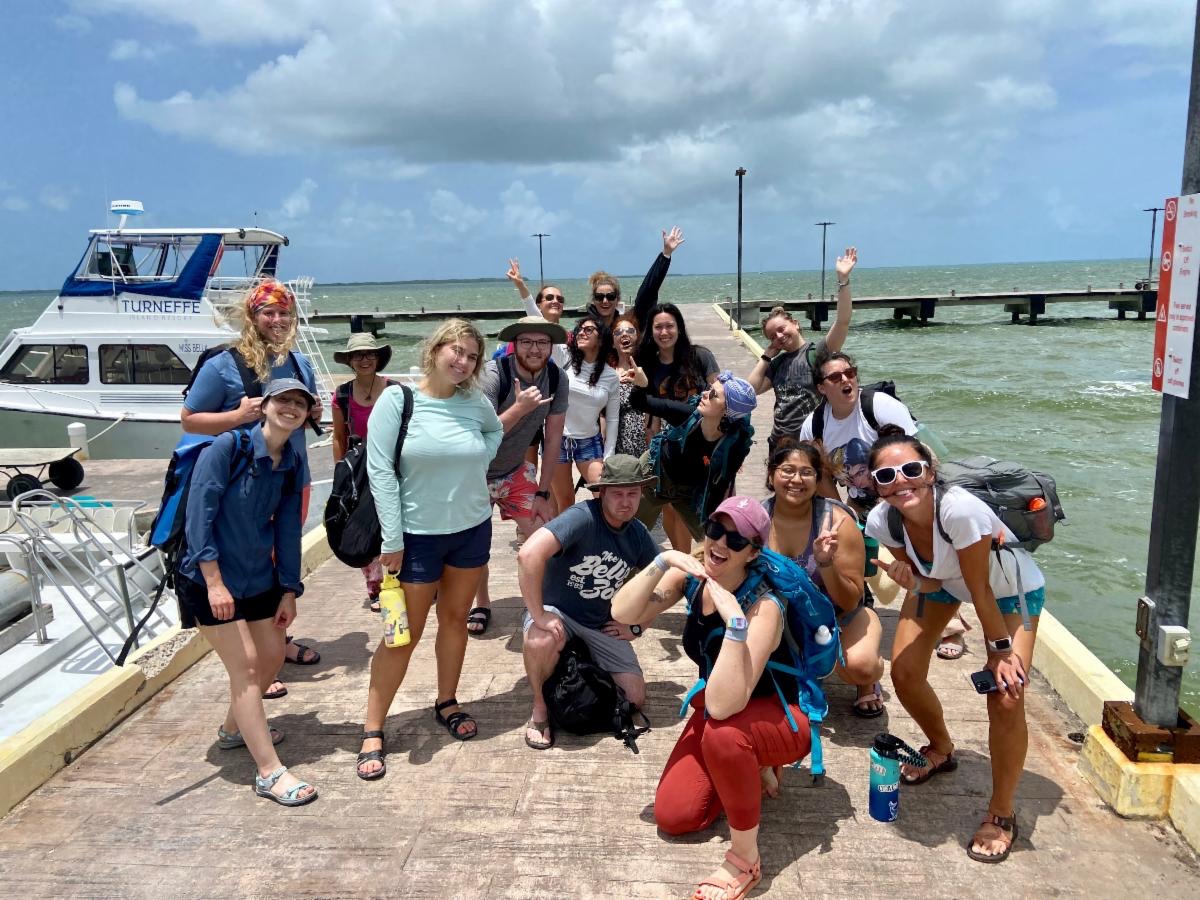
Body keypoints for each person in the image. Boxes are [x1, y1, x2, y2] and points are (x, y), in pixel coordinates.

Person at [611, 496, 812, 900]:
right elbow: (623, 613)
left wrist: (735, 620)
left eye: (736, 540)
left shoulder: (764, 605)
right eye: (715, 530)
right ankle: (747, 766)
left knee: (722, 735)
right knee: (675, 816)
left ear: (753, 552)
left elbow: (724, 705)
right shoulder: (694, 577)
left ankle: (745, 858)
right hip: (725, 704)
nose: (720, 543)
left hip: (781, 715)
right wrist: (662, 563)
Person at [864, 434, 1046, 864]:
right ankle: (941, 749)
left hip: (1007, 592)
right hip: (945, 584)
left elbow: (981, 588)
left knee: (1006, 695)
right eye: (887, 475)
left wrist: (1000, 652)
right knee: (904, 673)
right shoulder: (881, 522)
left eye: (911, 470)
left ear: (929, 469)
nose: (901, 482)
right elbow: (930, 580)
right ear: (877, 485)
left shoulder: (959, 510)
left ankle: (1001, 812)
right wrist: (911, 581)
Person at [355, 319, 504, 780]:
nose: (463, 362)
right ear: (434, 350)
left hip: (471, 528)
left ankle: (447, 700)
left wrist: (479, 455)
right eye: (455, 351)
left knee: (456, 619)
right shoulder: (398, 400)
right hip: (415, 537)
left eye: (472, 356)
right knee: (402, 633)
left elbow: (495, 433)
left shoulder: (475, 402)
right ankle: (372, 728)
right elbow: (379, 472)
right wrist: (392, 541)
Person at [177, 378, 319, 806]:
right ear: (264, 405)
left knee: (273, 656)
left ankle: (233, 730)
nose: (291, 408)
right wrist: (214, 581)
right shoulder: (228, 448)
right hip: (209, 578)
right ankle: (269, 772)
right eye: (284, 400)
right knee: (248, 666)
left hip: (259, 576)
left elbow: (290, 527)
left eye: (300, 403)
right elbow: (198, 515)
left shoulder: (290, 460)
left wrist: (289, 589)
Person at [182, 278, 323, 697]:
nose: (277, 320)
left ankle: (276, 642)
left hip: (289, 479)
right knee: (244, 561)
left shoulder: (299, 363)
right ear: (252, 316)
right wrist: (237, 417)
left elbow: (299, 416)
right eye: (268, 312)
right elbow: (189, 419)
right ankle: (254, 657)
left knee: (276, 561)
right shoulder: (224, 364)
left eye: (284, 312)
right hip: (238, 488)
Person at [517, 455, 661, 751]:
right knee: (540, 641)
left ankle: (577, 660)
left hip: (598, 623)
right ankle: (540, 708)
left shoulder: (638, 535)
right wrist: (538, 614)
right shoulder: (582, 517)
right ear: (602, 492)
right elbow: (528, 555)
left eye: (633, 493)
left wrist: (638, 626)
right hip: (559, 612)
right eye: (618, 493)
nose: (626, 502)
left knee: (634, 697)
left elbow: (666, 584)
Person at [762, 440, 885, 716]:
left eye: (806, 472)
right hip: (783, 618)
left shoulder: (838, 522)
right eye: (787, 470)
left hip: (839, 616)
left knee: (859, 666)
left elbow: (851, 600)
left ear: (818, 479)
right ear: (771, 475)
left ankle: (868, 682)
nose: (796, 479)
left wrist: (825, 562)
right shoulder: (757, 519)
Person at [470, 315, 569, 635]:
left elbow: (553, 438)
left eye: (542, 342)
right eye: (527, 341)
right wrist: (520, 409)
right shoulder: (492, 375)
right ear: (515, 344)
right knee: (474, 543)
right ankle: (481, 602)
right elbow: (480, 436)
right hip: (474, 473)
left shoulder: (556, 377)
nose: (535, 349)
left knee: (544, 535)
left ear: (551, 346)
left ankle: (541, 601)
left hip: (514, 471)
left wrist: (542, 491)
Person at [748, 247, 857, 454]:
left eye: (781, 329)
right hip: (779, 444)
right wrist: (767, 355)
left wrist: (843, 280)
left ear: (796, 324)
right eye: (773, 336)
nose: (779, 336)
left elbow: (843, 321)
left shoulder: (818, 353)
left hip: (812, 444)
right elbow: (750, 390)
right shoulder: (778, 364)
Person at [634, 372, 756, 552]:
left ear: (726, 412)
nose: (704, 394)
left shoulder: (733, 445)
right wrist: (641, 383)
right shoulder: (688, 414)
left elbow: (721, 485)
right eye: (709, 389)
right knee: (628, 530)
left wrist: (716, 522)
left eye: (713, 394)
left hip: (689, 491)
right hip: (654, 476)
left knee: (717, 541)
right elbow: (640, 402)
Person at [799, 350, 917, 516]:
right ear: (821, 388)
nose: (845, 379)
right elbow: (818, 475)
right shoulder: (813, 426)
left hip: (903, 496)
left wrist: (886, 511)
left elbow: (914, 458)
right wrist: (842, 515)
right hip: (860, 503)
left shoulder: (880, 406)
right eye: (835, 377)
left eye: (850, 373)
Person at [330, 332, 396, 613]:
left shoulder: (394, 389)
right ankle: (375, 587)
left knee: (396, 522)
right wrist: (340, 475)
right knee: (365, 525)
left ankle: (402, 578)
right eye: (358, 355)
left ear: (378, 357)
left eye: (370, 354)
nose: (365, 359)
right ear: (350, 361)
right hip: (360, 469)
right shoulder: (342, 395)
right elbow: (338, 436)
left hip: (393, 464)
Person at [552, 315, 620, 514]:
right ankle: (569, 544)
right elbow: (543, 327)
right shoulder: (565, 358)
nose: (581, 332)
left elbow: (613, 418)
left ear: (601, 339)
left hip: (589, 441)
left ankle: (604, 540)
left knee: (603, 496)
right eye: (580, 329)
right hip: (557, 439)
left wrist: (609, 455)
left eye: (589, 329)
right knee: (565, 501)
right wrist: (523, 291)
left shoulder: (610, 376)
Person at [585, 226, 686, 331]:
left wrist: (665, 255)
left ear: (617, 299)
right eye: (599, 297)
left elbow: (646, 294)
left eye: (610, 296)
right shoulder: (585, 329)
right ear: (593, 300)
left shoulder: (628, 323)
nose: (605, 301)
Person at [612, 313, 650, 458]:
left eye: (630, 331)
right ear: (612, 342)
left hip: (649, 446)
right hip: (621, 450)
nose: (624, 334)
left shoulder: (650, 367)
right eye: (618, 332)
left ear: (638, 337)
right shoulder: (608, 374)